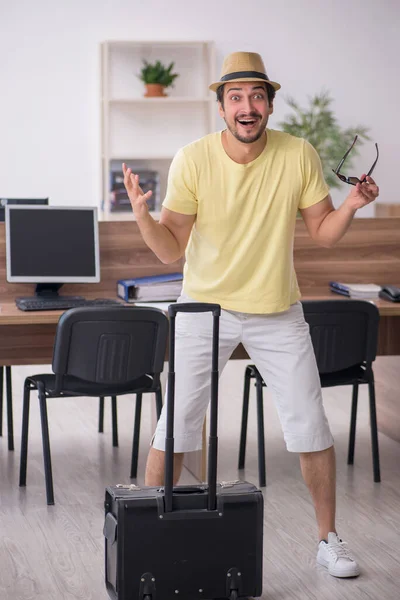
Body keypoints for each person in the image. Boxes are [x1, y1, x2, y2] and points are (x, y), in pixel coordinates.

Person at [122, 51, 379, 579]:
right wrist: (144, 217)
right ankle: (142, 537)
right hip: (203, 308)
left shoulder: (298, 154)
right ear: (221, 107)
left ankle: (328, 540)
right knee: (175, 428)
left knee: (310, 423)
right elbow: (170, 251)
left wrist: (351, 205)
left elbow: (323, 233)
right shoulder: (192, 158)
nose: (247, 106)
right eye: (236, 97)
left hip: (276, 309)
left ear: (268, 105)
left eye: (257, 96)